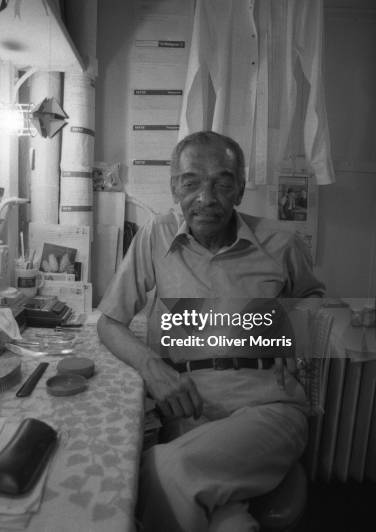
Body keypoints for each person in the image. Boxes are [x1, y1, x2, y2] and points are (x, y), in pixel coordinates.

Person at [97, 131, 325, 532]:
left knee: (161, 469)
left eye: (222, 182)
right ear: (174, 188)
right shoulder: (155, 237)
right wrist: (154, 369)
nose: (206, 197)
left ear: (239, 190)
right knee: (226, 524)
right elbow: (109, 321)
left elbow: (314, 303)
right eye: (191, 182)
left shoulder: (281, 243)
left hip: (269, 408)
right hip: (189, 413)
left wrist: (296, 337)